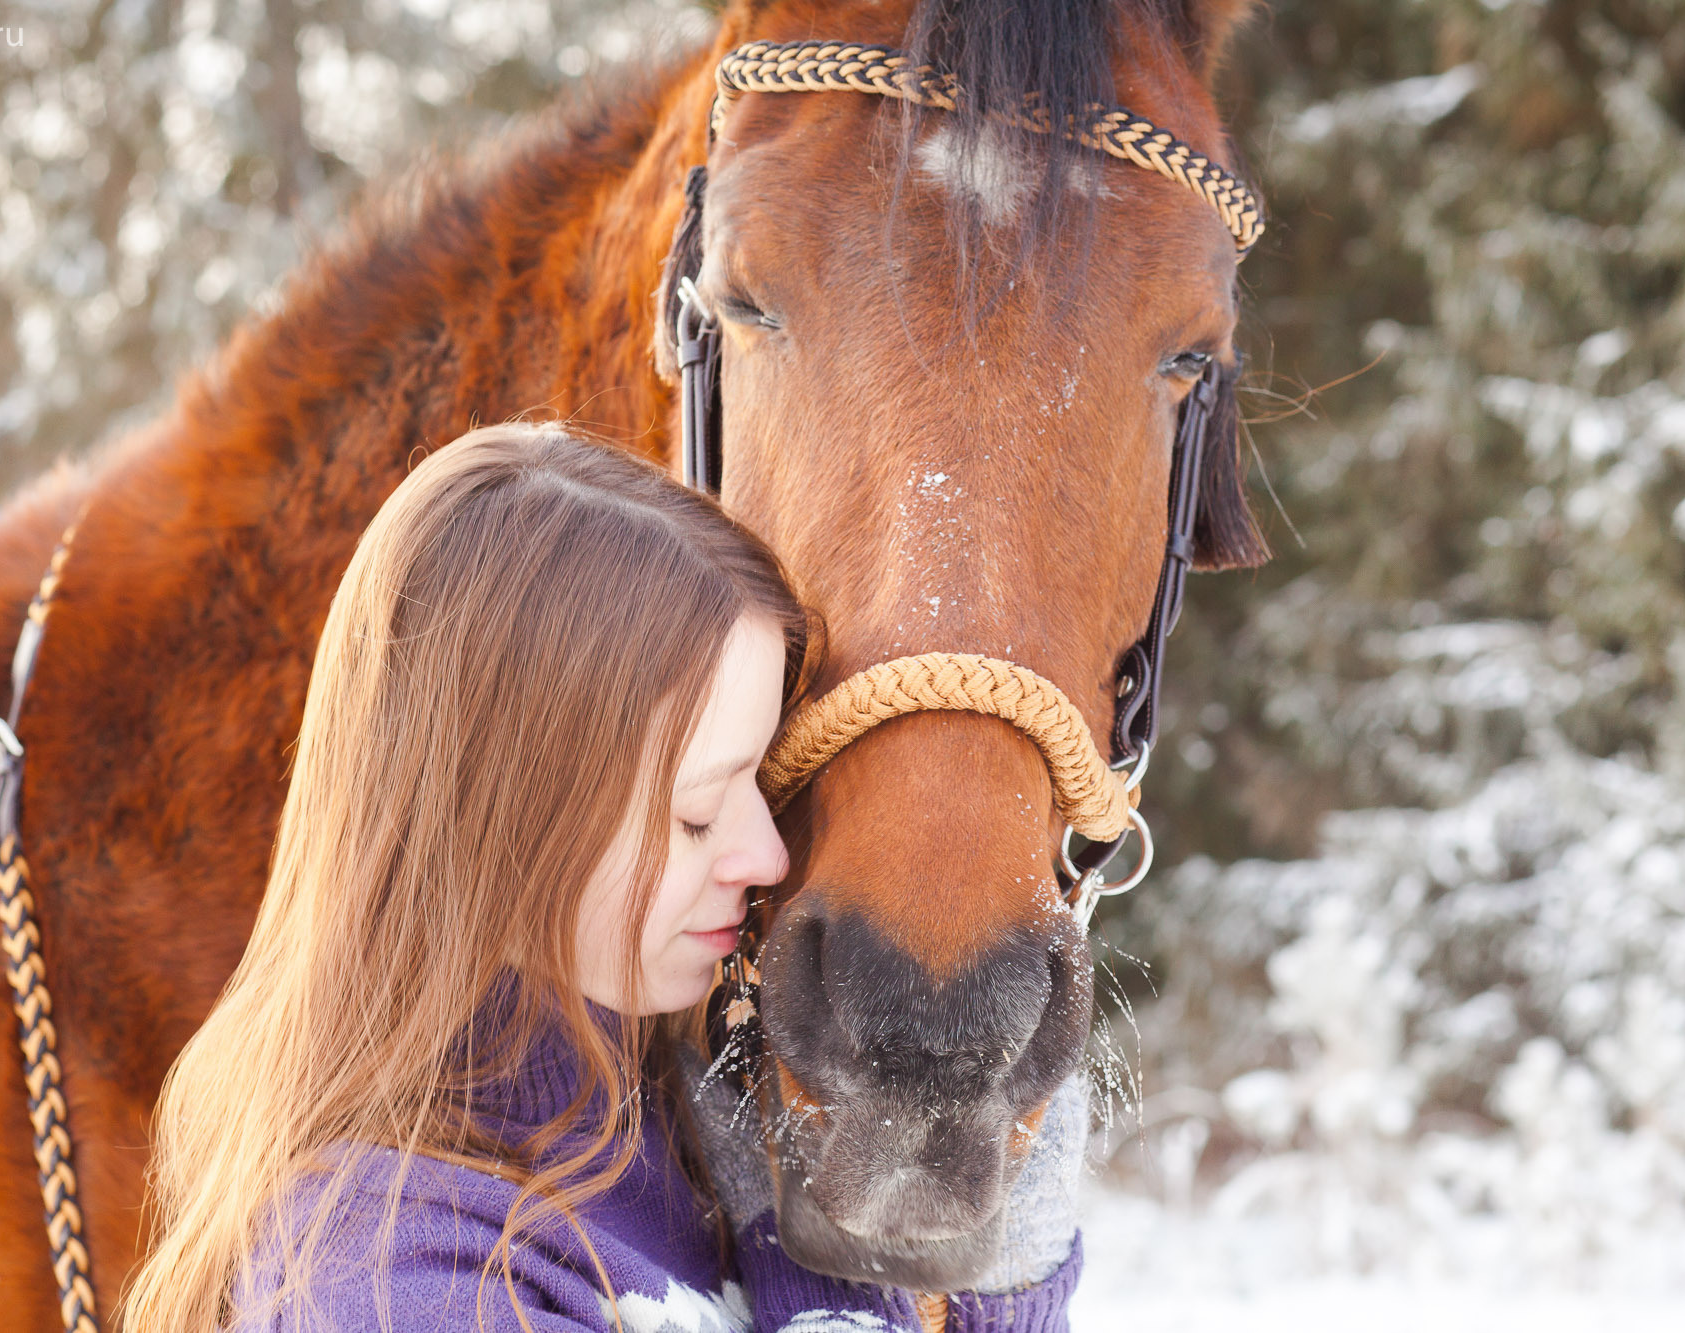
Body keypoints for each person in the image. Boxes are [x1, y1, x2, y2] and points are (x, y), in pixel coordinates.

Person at [120, 423, 1085, 1332]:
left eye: (762, 779)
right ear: (501, 825)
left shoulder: (686, 1124)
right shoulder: (390, 1284)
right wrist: (839, 1292)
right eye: (698, 812)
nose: (766, 856)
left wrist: (981, 1268)